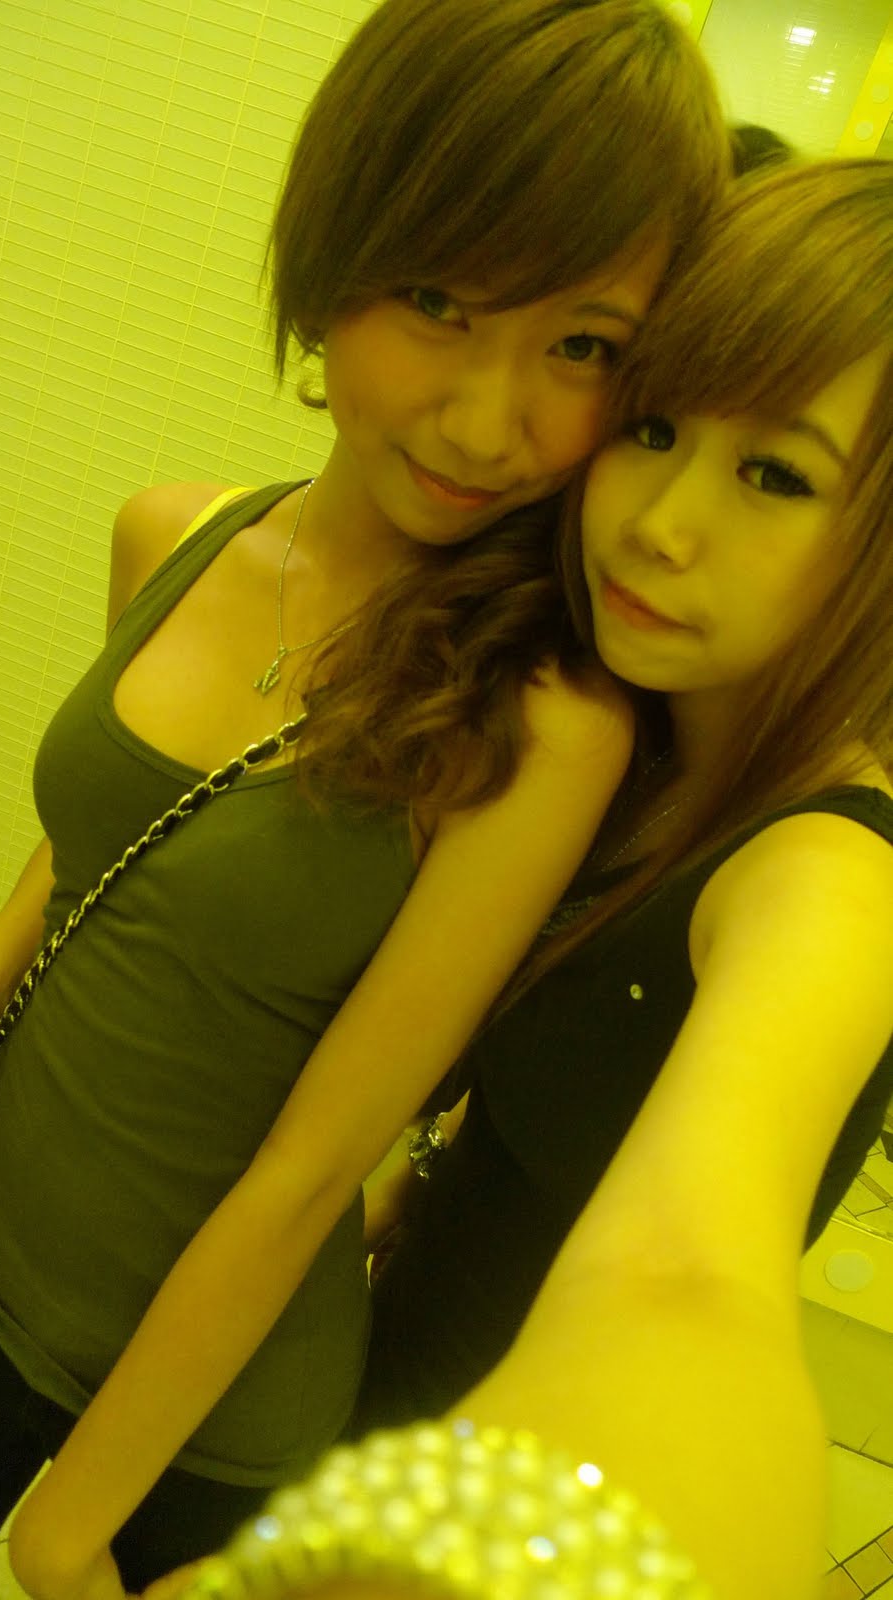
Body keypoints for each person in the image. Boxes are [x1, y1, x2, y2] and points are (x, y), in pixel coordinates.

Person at [0, 0, 728, 1593]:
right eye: (440, 301)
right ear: (335, 253)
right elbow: (85, 867)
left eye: (583, 348)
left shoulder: (544, 723)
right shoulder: (174, 531)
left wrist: (69, 1519)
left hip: (192, 1421)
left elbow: (317, 1165)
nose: (485, 421)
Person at [341, 157, 893, 1600]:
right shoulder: (640, 755)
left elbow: (686, 1281)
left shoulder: (831, 877)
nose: (657, 522)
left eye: (776, 476)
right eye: (652, 429)